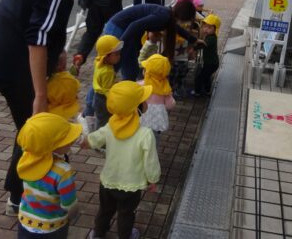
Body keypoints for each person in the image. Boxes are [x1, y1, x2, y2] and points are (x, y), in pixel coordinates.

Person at [0, 0, 107, 216]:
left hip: (3, 60)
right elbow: (37, 39)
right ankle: (20, 199)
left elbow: (41, 28)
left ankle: (16, 192)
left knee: (28, 130)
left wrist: (61, 51)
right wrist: (40, 94)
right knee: (37, 131)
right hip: (15, 66)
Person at [82, 81, 160, 239]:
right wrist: (153, 179)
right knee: (126, 213)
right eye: (143, 100)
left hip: (108, 181)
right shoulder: (145, 134)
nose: (146, 103)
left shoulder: (110, 126)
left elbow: (94, 139)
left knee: (105, 210)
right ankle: (125, 236)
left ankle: (98, 234)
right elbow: (150, 161)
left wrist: (86, 141)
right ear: (136, 107)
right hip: (131, 185)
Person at [17, 113, 82, 238]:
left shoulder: (25, 158)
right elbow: (69, 204)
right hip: (53, 226)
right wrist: (74, 215)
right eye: (66, 140)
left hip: (25, 221)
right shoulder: (63, 171)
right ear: (50, 146)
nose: (71, 141)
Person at [102, 1, 202, 81]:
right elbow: (134, 26)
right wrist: (120, 46)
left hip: (126, 31)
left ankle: (129, 96)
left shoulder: (168, 16)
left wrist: (194, 39)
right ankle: (93, 102)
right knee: (110, 71)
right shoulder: (164, 16)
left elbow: (176, 28)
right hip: (118, 28)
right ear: (183, 16)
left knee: (131, 70)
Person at [140, 54, 176, 142]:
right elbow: (170, 105)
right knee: (154, 138)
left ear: (147, 72)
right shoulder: (165, 88)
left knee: (140, 135)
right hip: (157, 117)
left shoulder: (140, 85)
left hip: (142, 115)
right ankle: (153, 153)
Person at [93, 35, 123, 129]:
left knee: (100, 119)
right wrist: (115, 103)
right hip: (103, 100)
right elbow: (107, 91)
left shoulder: (99, 62)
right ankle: (100, 141)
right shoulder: (108, 71)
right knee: (104, 122)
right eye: (116, 54)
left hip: (97, 96)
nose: (119, 56)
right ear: (106, 56)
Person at [193, 14, 221, 96]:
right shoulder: (209, 36)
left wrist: (194, 46)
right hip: (210, 63)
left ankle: (197, 92)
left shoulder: (212, 38)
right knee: (206, 77)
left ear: (215, 29)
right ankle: (207, 90)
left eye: (209, 28)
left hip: (211, 64)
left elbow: (203, 45)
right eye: (205, 26)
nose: (206, 29)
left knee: (199, 77)